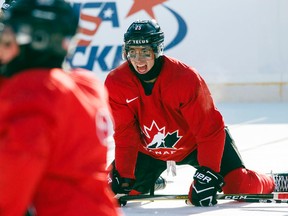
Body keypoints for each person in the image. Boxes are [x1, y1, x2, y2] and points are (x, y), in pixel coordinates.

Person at [105, 19, 286, 207]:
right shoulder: (116, 82)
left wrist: (208, 173)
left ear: (157, 50)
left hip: (197, 145)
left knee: (238, 186)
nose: (138, 59)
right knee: (108, 190)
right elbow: (125, 132)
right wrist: (124, 175)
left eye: (145, 52)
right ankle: (151, 182)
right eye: (132, 51)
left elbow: (209, 129)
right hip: (149, 150)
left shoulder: (184, 78)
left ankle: (273, 181)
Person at [0, 0, 122, 215]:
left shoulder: (35, 92)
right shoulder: (85, 85)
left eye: (8, 36)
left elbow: (10, 191)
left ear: (36, 39)